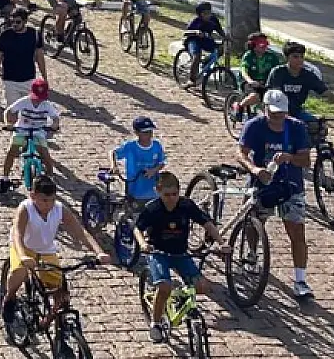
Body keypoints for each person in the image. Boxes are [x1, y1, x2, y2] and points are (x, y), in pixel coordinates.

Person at [238, 89, 318, 297]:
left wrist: (289, 158)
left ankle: (300, 280)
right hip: (261, 183)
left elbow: (306, 160)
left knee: (297, 233)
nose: (277, 118)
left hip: (290, 186)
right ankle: (252, 253)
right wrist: (255, 169)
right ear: (264, 110)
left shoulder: (297, 128)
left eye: (281, 114)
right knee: (253, 222)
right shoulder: (254, 126)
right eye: (273, 114)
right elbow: (240, 153)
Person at [2, 176, 110, 327]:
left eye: (52, 200)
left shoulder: (59, 209)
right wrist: (23, 256)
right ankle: (10, 297)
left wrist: (99, 252)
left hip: (46, 250)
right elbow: (18, 235)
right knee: (19, 271)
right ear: (32, 196)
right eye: (44, 200)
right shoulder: (25, 209)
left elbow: (81, 233)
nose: (48, 205)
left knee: (61, 292)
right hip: (24, 247)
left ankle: (48, 321)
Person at [133, 171, 226, 342]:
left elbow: (206, 223)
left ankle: (178, 298)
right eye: (166, 195)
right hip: (158, 253)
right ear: (158, 191)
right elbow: (137, 228)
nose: (171, 198)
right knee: (164, 287)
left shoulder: (186, 205)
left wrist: (220, 242)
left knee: (201, 286)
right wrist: (142, 244)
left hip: (180, 253)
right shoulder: (152, 209)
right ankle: (155, 323)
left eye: (175, 194)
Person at [266, 42, 334, 124]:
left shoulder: (308, 75)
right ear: (286, 57)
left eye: (301, 57)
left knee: (316, 128)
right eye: (295, 57)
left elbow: (329, 94)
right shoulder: (277, 72)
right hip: (276, 112)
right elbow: (272, 97)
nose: (299, 60)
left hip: (297, 112)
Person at [0, 79, 61, 191]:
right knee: (12, 151)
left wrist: (54, 125)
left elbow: (55, 118)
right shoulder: (24, 101)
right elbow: (9, 111)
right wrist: (9, 124)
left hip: (38, 131)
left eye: (40, 98)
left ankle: (51, 179)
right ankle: (5, 178)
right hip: (22, 129)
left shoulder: (47, 105)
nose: (38, 101)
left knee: (45, 155)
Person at [0, 7, 48, 105]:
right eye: (12, 21)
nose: (14, 25)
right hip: (10, 81)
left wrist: (45, 78)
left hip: (29, 79)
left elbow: (40, 58)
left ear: (25, 21)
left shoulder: (34, 34)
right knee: (13, 112)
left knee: (30, 111)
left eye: (18, 22)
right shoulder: (5, 35)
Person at [112, 116, 166, 203]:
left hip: (153, 190)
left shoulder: (156, 146)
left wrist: (154, 170)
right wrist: (114, 166)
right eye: (145, 133)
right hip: (134, 189)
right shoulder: (130, 146)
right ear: (137, 133)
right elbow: (113, 153)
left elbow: (162, 162)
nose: (149, 135)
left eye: (150, 132)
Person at [234, 32, 285, 114]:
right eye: (261, 45)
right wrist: (250, 81)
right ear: (253, 46)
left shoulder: (272, 57)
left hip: (265, 82)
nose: (264, 47)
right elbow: (244, 70)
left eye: (265, 45)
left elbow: (278, 70)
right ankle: (239, 106)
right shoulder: (248, 56)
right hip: (249, 82)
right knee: (256, 96)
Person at [183, 2, 226, 85]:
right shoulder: (196, 21)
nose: (208, 15)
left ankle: (206, 62)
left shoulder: (213, 20)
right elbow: (186, 33)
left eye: (209, 13)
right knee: (196, 57)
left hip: (206, 40)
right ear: (200, 14)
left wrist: (225, 37)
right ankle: (191, 79)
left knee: (220, 50)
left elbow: (219, 30)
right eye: (205, 14)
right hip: (194, 40)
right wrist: (196, 32)